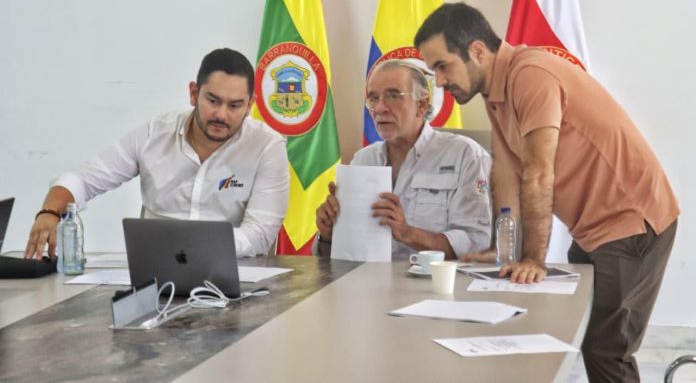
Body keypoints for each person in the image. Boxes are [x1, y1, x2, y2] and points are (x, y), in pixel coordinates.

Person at [415, 2, 679, 383]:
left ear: (477, 51)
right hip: (592, 229)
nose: (438, 82)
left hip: (633, 222)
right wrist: (504, 249)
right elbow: (506, 172)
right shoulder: (495, 92)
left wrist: (533, 259)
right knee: (581, 332)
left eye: (442, 66)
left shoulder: (530, 75)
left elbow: (539, 175)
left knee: (607, 349)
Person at [25, 48, 289, 259]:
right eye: (213, 101)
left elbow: (258, 235)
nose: (222, 114)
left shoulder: (267, 146)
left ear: (250, 105)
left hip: (234, 276)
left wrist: (194, 246)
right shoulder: (155, 134)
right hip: (155, 276)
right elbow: (84, 180)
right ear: (193, 93)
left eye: (235, 105)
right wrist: (50, 211)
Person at [314, 59, 491, 259]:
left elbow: (478, 243)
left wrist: (408, 234)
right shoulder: (364, 160)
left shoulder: (464, 155)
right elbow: (335, 259)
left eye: (393, 96)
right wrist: (329, 234)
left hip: (432, 278)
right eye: (373, 98)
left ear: (421, 105)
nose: (379, 108)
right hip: (367, 277)